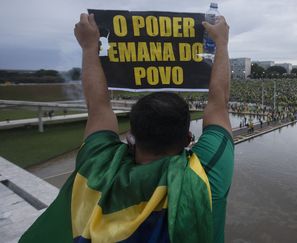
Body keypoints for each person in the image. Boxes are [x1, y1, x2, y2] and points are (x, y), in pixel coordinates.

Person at [20, 13, 233, 243]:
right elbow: (219, 103)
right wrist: (221, 43)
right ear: (188, 138)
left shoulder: (97, 167)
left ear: (130, 137)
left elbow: (98, 106)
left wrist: (89, 47)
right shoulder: (205, 175)